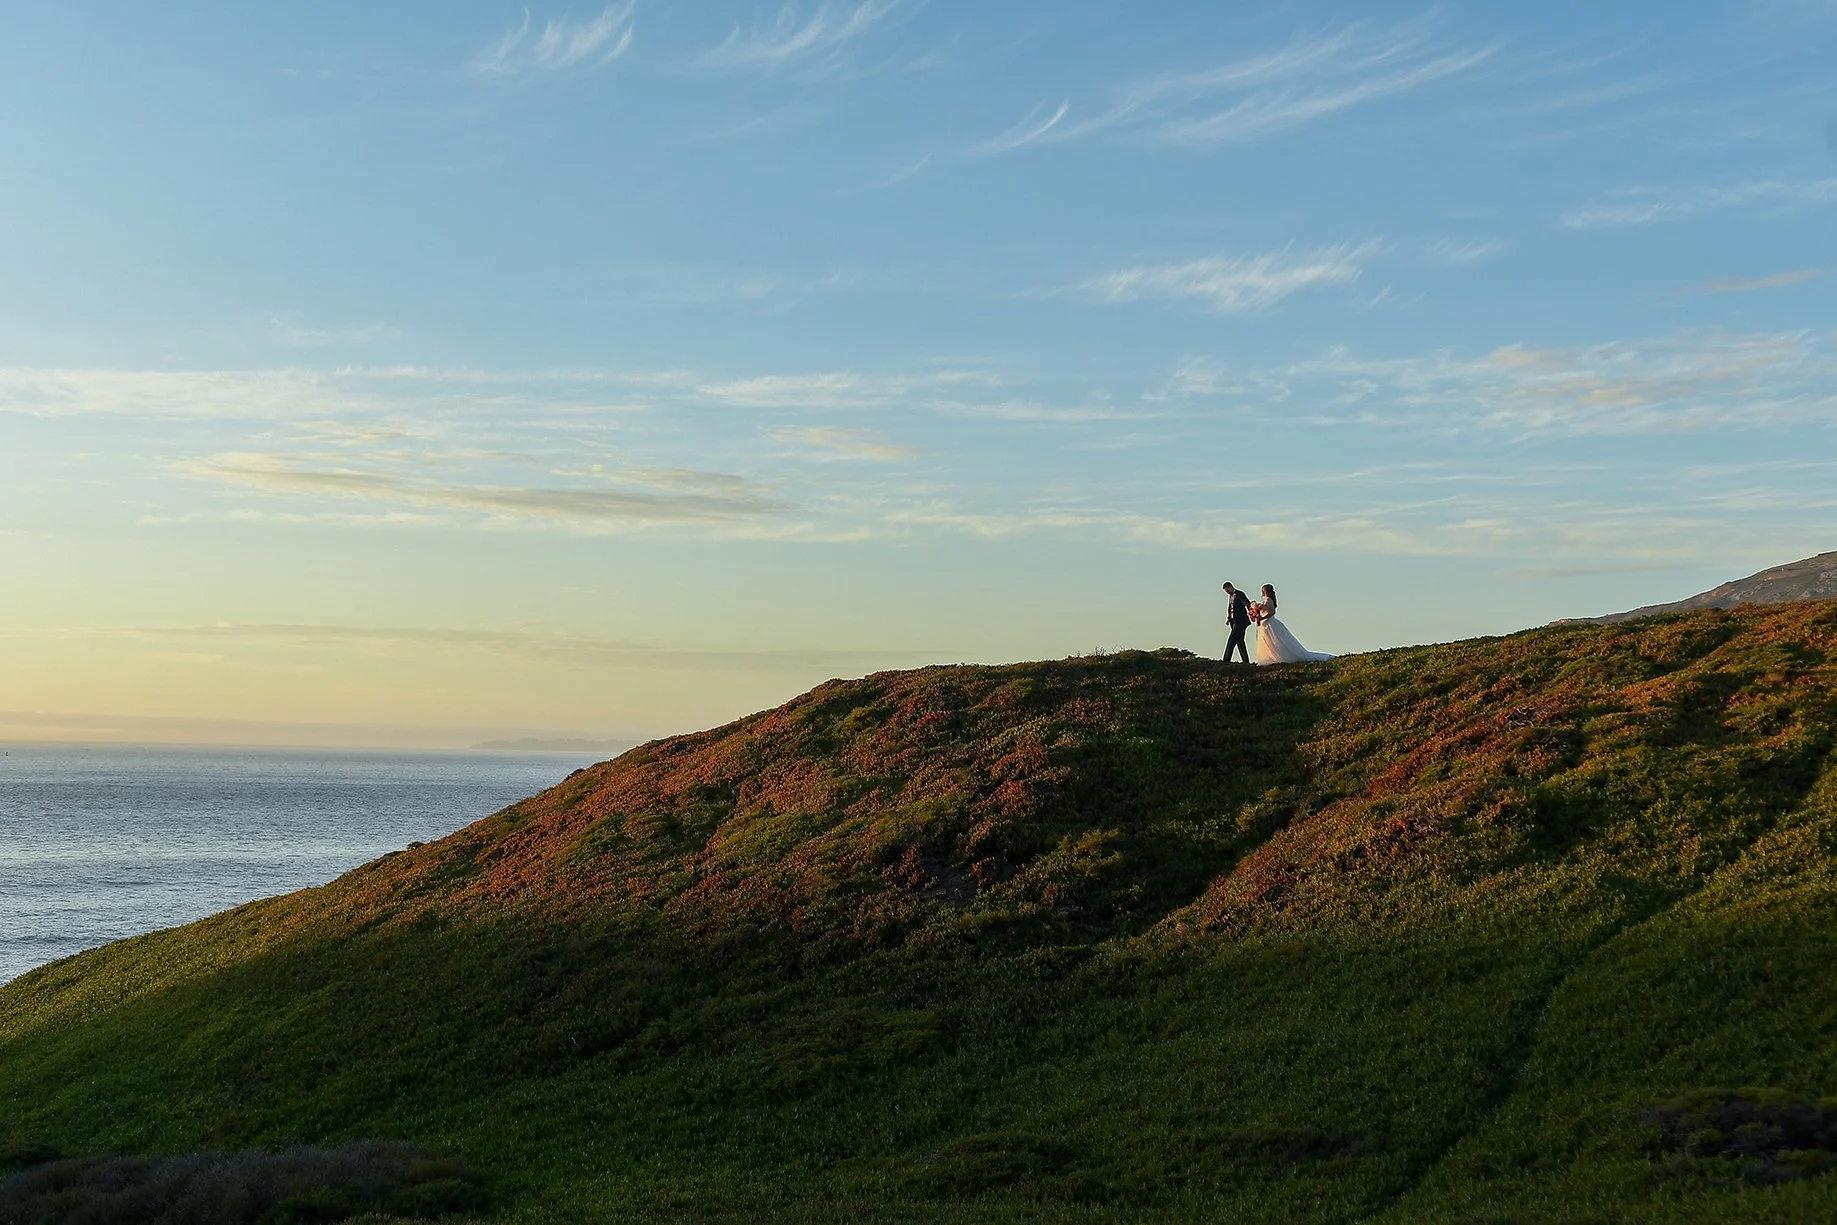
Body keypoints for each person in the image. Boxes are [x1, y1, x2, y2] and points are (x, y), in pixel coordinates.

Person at [1251, 584, 1332, 665]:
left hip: (1269, 623)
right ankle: (1269, 657)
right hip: (1265, 624)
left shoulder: (1268, 600)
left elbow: (1271, 612)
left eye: (1263, 590)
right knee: (1268, 641)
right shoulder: (1266, 600)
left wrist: (1261, 617)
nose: (1262, 592)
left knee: (1276, 640)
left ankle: (1276, 657)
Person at [1221, 581, 1252, 664]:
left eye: (1228, 591)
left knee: (1231, 640)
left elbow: (1247, 603)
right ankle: (1246, 661)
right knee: (1240, 641)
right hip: (1233, 622)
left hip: (1240, 622)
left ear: (1231, 587)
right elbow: (1231, 608)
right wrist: (1229, 618)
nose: (1228, 593)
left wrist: (1251, 612)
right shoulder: (1230, 596)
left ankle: (1226, 660)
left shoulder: (1240, 594)